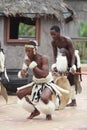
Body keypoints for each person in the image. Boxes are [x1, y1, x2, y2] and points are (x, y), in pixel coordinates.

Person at [16, 40, 69, 120]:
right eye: (26, 51)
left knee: (44, 97)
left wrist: (33, 66)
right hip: (36, 83)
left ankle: (48, 113)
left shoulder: (43, 58)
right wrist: (22, 73)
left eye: (29, 51)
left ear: (34, 50)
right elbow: (23, 72)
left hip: (47, 83)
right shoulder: (28, 60)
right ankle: (34, 111)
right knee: (19, 93)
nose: (27, 53)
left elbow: (44, 73)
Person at [50, 25, 82, 107]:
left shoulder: (67, 40)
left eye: (54, 34)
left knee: (71, 80)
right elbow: (55, 54)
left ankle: (73, 101)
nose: (53, 36)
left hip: (72, 60)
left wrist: (72, 67)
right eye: (51, 35)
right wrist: (55, 65)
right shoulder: (53, 42)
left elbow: (72, 54)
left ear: (59, 33)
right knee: (61, 80)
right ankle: (62, 99)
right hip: (62, 62)